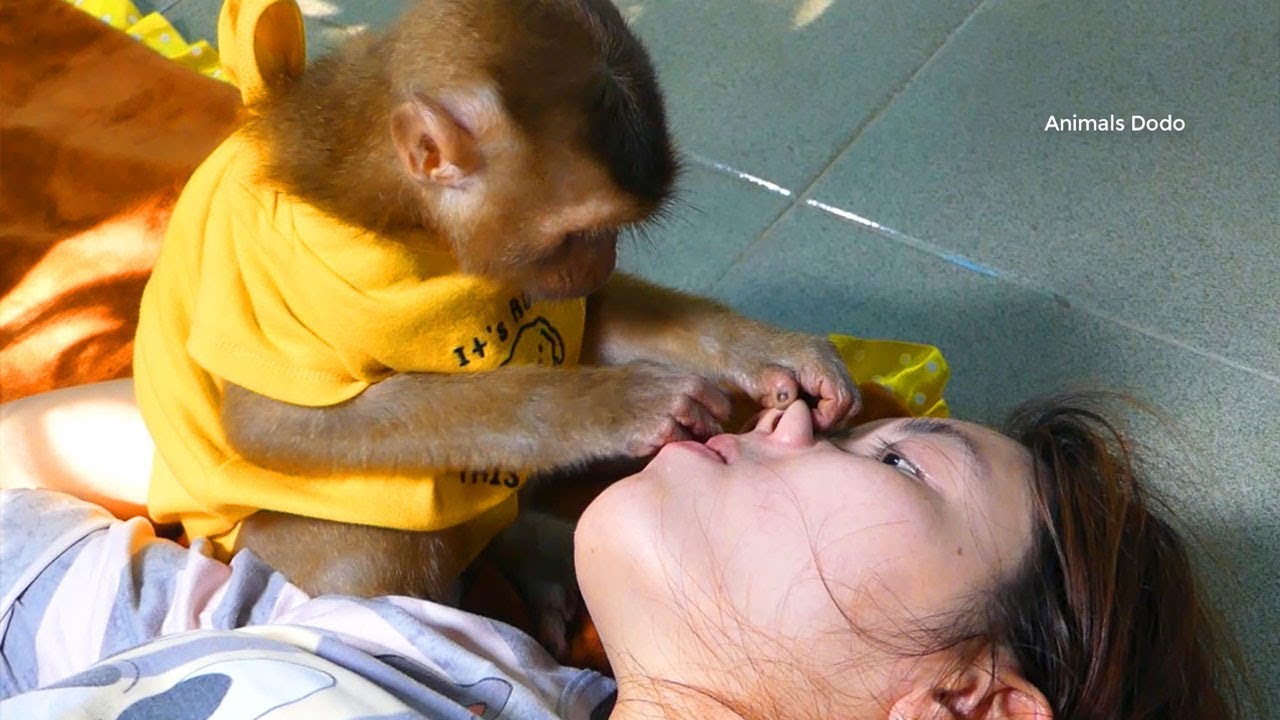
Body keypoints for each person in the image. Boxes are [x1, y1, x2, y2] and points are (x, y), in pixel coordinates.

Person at [0, 382, 1246, 719]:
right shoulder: (429, 645)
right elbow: (29, 498)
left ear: (965, 710)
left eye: (894, 463)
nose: (798, 412)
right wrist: (403, 446)